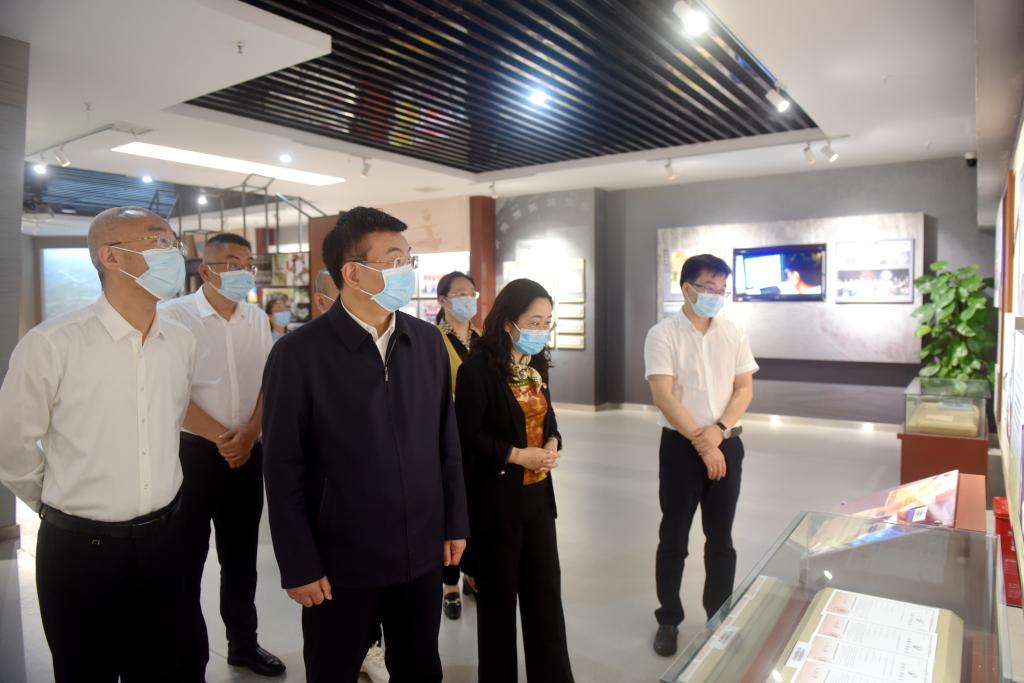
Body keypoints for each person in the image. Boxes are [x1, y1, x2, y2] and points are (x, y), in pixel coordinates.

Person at [261, 206, 469, 683]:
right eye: (394, 260)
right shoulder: (298, 354)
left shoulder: (426, 342)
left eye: (409, 260)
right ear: (353, 273)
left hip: (421, 550)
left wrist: (454, 520)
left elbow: (447, 440)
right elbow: (282, 466)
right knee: (333, 670)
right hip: (340, 562)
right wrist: (298, 562)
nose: (406, 271)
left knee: (421, 667)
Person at [0, 207, 195, 681]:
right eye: (157, 241)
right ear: (111, 257)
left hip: (166, 540)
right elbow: (10, 445)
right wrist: (58, 501)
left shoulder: (181, 340)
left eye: (174, 243)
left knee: (166, 666)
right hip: (80, 550)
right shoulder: (53, 343)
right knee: (85, 669)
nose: (174, 254)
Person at [159, 233, 285, 680]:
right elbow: (169, 389)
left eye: (248, 263)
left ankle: (243, 645)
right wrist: (224, 438)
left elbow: (269, 384)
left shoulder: (256, 319)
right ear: (206, 270)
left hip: (247, 452)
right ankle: (186, 656)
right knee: (187, 560)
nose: (243, 271)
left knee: (241, 558)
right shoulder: (173, 316)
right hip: (192, 453)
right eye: (232, 262)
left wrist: (249, 435)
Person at [454, 278, 575, 683]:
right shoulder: (476, 371)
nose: (542, 330)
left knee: (546, 602)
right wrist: (517, 455)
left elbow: (548, 417)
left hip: (538, 501)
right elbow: (467, 436)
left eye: (547, 322)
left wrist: (553, 441)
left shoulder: (535, 365)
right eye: (534, 322)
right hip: (496, 505)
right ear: (508, 323)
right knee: (498, 609)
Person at [644, 254, 758, 657]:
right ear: (687, 289)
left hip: (727, 441)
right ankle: (669, 618)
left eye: (722, 290)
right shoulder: (663, 334)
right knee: (674, 536)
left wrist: (720, 431)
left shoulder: (733, 332)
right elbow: (663, 395)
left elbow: (744, 388)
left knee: (721, 538)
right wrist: (702, 441)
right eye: (709, 288)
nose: (716, 296)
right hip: (681, 447)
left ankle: (718, 617)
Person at [434, 270, 481, 620]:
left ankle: (472, 574)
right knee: (451, 511)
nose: (468, 299)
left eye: (471, 293)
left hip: (479, 440)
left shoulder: (482, 339)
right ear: (443, 300)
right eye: (461, 293)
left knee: (477, 509)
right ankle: (449, 584)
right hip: (447, 440)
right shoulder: (432, 340)